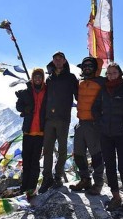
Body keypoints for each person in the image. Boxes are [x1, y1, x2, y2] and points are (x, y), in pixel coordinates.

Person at [92, 62, 123, 218]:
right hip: (105, 135)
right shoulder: (103, 91)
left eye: (113, 73)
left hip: (122, 134)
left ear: (120, 74)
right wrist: (100, 122)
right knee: (110, 166)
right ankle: (116, 197)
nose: (111, 75)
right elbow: (95, 108)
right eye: (109, 73)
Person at [38, 51, 78, 194]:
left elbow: (79, 96)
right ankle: (47, 178)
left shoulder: (71, 78)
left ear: (65, 61)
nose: (58, 61)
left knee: (62, 151)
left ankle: (58, 177)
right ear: (53, 61)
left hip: (63, 119)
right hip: (49, 119)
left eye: (60, 59)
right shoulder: (49, 79)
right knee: (47, 150)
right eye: (56, 59)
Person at [69, 57, 105, 195]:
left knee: (96, 155)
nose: (87, 67)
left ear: (95, 68)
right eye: (85, 66)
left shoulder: (102, 82)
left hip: (94, 124)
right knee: (78, 154)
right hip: (81, 123)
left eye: (90, 65)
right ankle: (85, 179)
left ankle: (98, 183)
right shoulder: (81, 83)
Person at [15, 68, 47, 200]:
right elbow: (18, 107)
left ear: (43, 78)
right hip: (28, 132)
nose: (38, 79)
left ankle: (31, 188)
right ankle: (24, 187)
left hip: (40, 132)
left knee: (34, 162)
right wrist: (25, 109)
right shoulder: (26, 92)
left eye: (40, 77)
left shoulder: (47, 91)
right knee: (26, 161)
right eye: (36, 77)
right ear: (32, 79)